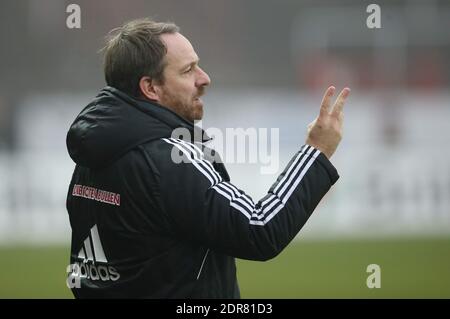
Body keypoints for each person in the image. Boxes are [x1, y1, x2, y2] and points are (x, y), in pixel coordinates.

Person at [66, 17, 350, 298]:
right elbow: (260, 230)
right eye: (188, 70)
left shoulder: (92, 151)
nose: (204, 78)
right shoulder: (171, 157)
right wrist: (316, 150)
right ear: (150, 87)